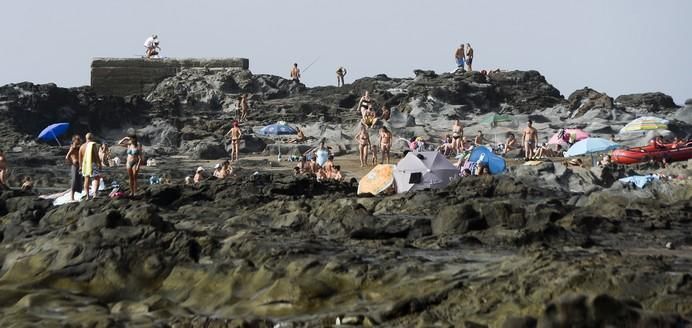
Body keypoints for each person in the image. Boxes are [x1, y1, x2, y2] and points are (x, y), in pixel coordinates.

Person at [78, 133, 102, 200]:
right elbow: (96, 155)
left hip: (85, 165)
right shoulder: (92, 145)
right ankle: (95, 194)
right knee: (97, 178)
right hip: (92, 163)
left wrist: (80, 166)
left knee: (87, 179)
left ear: (86, 138)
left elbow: (80, 158)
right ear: (92, 138)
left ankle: (88, 196)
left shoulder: (82, 146)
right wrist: (99, 163)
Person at [65, 135, 82, 201]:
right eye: (77, 140)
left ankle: (75, 196)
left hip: (79, 165)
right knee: (74, 181)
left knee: (79, 180)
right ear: (74, 141)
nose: (78, 142)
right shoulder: (72, 148)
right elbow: (67, 157)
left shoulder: (79, 147)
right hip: (74, 165)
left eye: (79, 140)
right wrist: (71, 162)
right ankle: (72, 197)